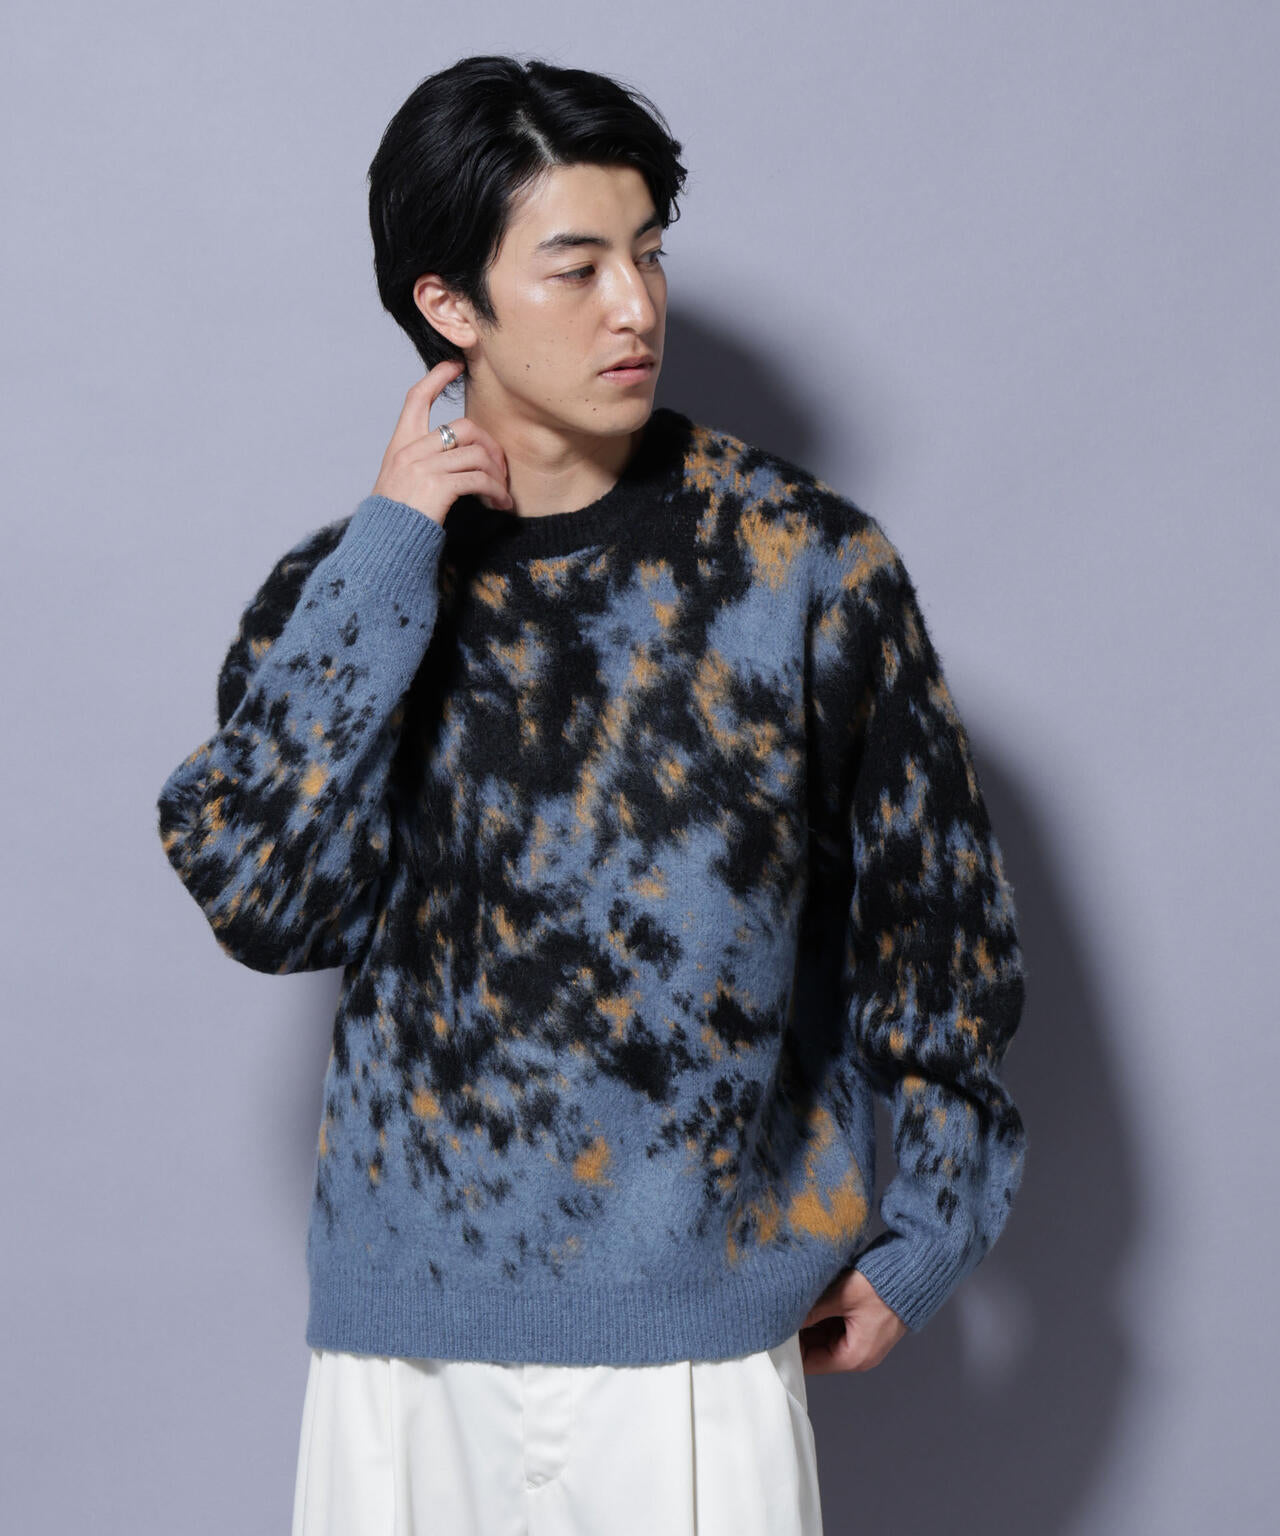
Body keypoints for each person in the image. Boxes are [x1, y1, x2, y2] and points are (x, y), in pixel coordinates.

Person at [155, 53, 1028, 1536]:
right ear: (451, 305)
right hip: (407, 1352)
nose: (636, 307)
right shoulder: (343, 592)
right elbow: (261, 899)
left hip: (697, 1342)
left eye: (650, 254)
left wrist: (933, 1224)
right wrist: (391, 546)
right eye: (578, 268)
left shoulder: (799, 564)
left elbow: (933, 920)